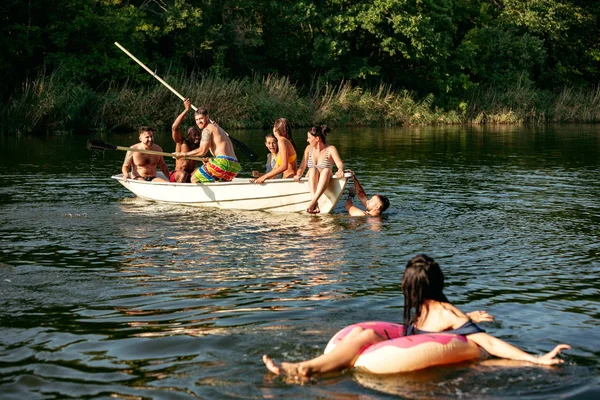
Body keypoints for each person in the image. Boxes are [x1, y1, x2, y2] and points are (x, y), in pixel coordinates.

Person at [262, 254, 570, 379]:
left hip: (437, 354)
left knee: (364, 338)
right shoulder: (426, 309)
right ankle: (309, 367)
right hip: (405, 346)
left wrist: (536, 359)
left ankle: (305, 368)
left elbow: (487, 341)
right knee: (361, 335)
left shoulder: (444, 311)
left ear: (414, 287)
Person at [174, 106, 241, 183]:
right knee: (218, 180)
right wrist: (210, 160)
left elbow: (202, 151)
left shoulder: (207, 129)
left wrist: (184, 154)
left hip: (222, 163)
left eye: (201, 119)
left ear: (207, 117)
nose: (199, 121)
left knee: (194, 179)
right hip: (234, 165)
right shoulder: (218, 128)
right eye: (197, 119)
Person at [294, 126, 344, 213]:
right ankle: (315, 203)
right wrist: (298, 174)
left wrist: (340, 170)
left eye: (309, 138)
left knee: (326, 170)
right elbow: (302, 167)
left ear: (317, 138)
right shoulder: (308, 149)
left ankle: (313, 202)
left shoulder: (330, 149)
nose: (307, 140)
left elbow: (339, 164)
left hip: (325, 179)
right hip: (311, 182)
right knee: (312, 169)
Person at [252, 118, 297, 183]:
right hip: (285, 180)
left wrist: (265, 177)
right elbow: (275, 168)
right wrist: (260, 177)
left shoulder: (282, 141)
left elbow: (284, 166)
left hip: (289, 180)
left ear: (275, 129)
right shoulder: (284, 141)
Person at [170, 99, 202, 182]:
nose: (197, 137)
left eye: (198, 135)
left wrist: (215, 127)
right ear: (189, 136)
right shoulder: (182, 142)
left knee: (203, 170)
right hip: (178, 175)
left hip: (190, 175)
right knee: (183, 174)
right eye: (194, 135)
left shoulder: (200, 146)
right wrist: (186, 110)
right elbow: (174, 128)